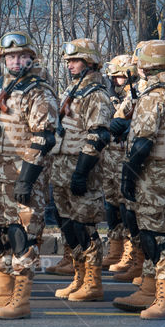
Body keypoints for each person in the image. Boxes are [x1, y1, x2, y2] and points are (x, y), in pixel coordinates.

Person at [0, 30, 58, 320]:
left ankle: (21, 297)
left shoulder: (38, 90)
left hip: (22, 177)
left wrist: (27, 178)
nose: (16, 61)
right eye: (10, 56)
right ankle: (3, 289)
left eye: (21, 56)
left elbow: (44, 137)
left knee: (22, 235)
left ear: (31, 57)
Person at [111, 41, 165, 320]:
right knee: (147, 228)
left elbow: (144, 142)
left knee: (154, 233)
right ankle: (148, 288)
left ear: (145, 65)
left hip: (153, 171)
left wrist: (128, 175)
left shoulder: (155, 96)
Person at [51, 38, 113, 303]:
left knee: (85, 225)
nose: (70, 65)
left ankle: (93, 281)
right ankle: (78, 276)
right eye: (68, 61)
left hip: (81, 168)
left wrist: (81, 171)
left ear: (89, 62)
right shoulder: (72, 91)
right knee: (68, 225)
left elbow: (98, 135)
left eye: (75, 61)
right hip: (61, 166)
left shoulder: (96, 94)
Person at [100, 54, 136, 271]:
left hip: (125, 158)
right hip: (109, 158)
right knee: (111, 205)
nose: (115, 81)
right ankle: (115, 250)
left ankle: (130, 251)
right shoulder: (108, 95)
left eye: (119, 77)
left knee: (126, 205)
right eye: (112, 77)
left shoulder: (136, 96)